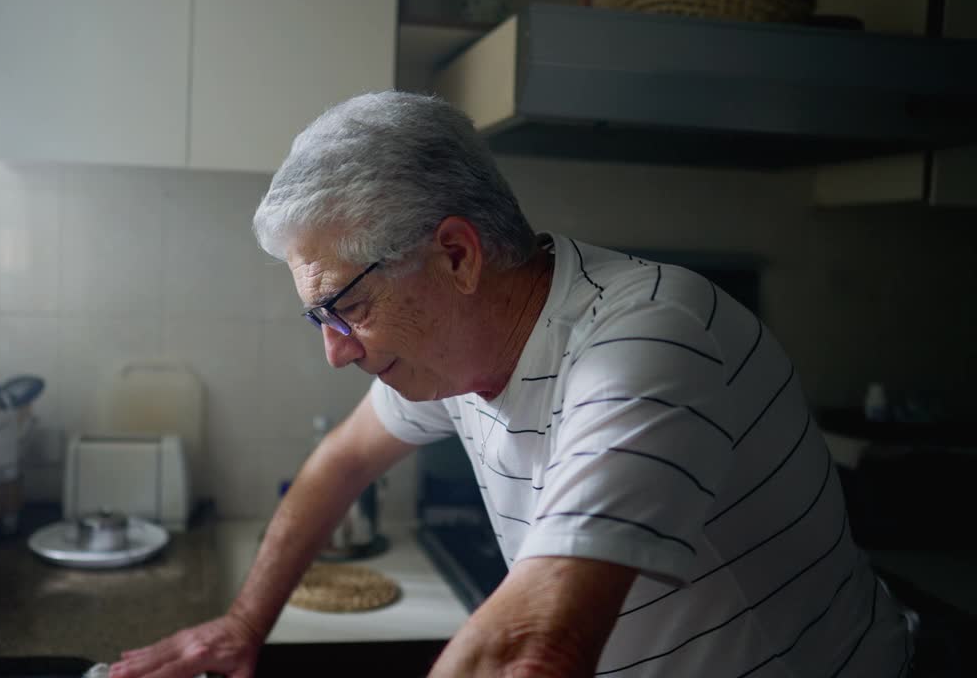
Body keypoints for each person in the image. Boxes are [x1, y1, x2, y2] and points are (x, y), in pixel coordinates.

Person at [110, 92, 912, 678]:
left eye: (345, 307)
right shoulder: (449, 355)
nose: (336, 351)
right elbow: (340, 463)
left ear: (456, 257)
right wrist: (244, 625)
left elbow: (540, 649)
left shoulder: (648, 342)